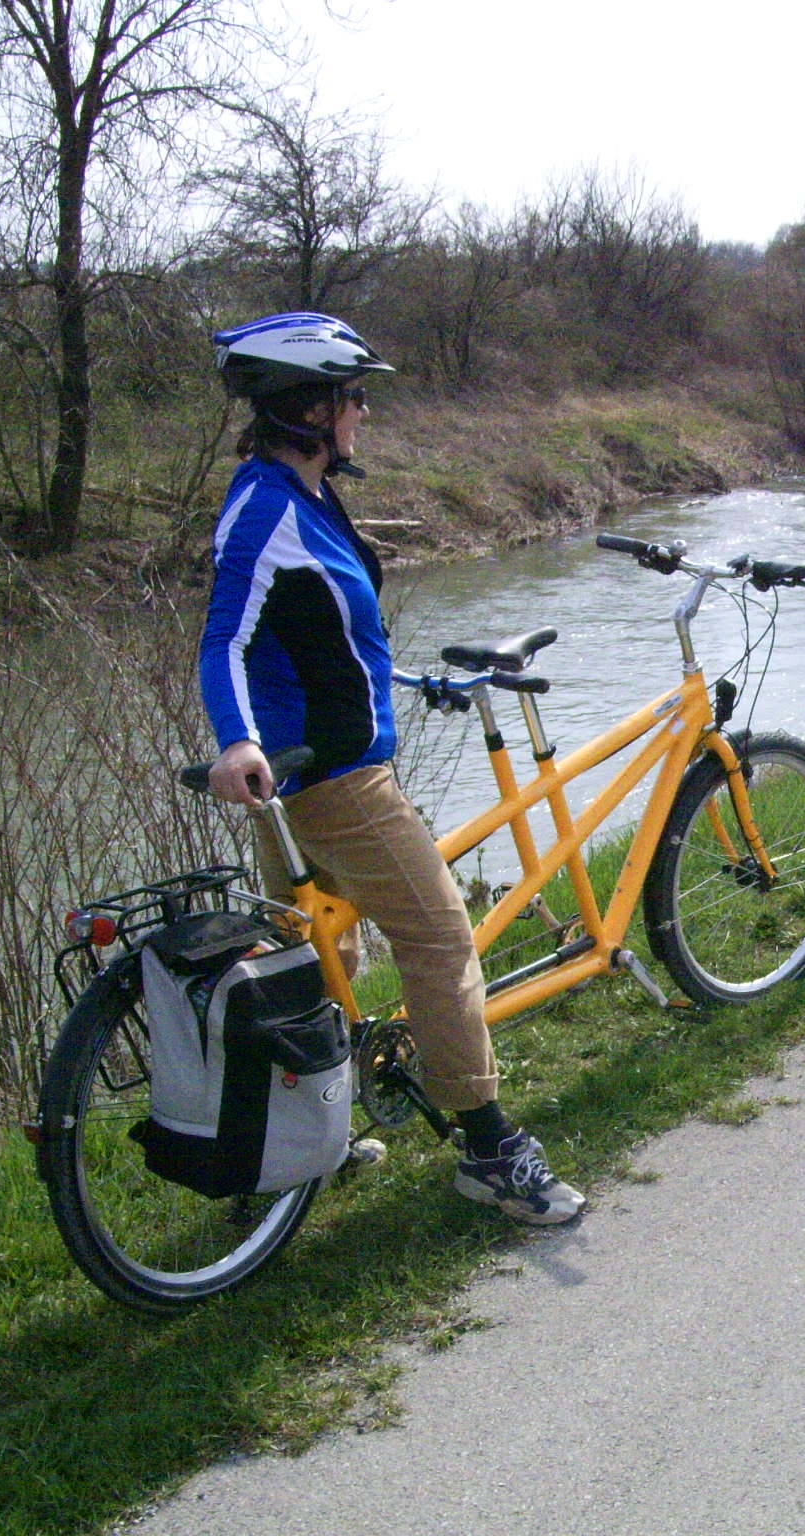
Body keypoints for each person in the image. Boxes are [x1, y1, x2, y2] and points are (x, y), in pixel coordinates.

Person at [199, 311, 585, 1224]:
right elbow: (225, 640)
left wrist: (407, 683)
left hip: (310, 777)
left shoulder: (302, 496)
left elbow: (317, 637)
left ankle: (303, 1145)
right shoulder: (266, 510)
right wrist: (236, 739)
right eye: (351, 397)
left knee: (314, 957)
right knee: (441, 939)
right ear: (309, 409)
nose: (362, 412)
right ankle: (490, 1150)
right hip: (336, 784)